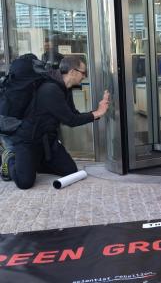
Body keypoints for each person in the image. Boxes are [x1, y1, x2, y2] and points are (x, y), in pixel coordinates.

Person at [0, 56, 110, 189]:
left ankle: (34, 162)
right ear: (72, 72)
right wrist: (97, 113)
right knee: (25, 182)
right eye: (83, 72)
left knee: (70, 171)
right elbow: (70, 120)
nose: (84, 76)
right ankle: (10, 158)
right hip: (28, 140)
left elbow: (73, 114)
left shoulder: (65, 88)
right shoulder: (50, 90)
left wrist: (96, 112)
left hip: (47, 141)